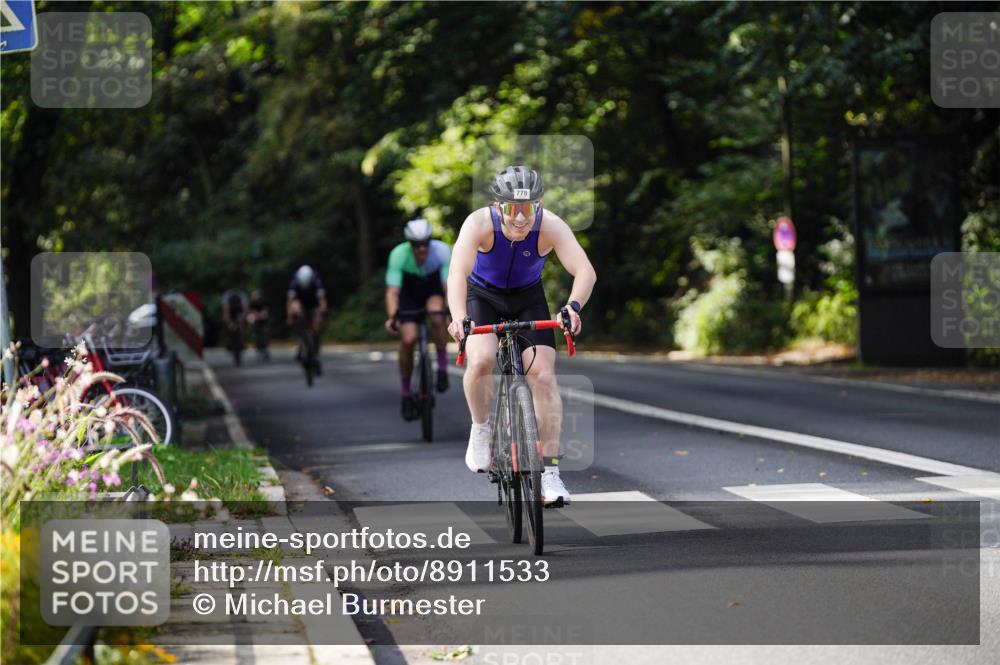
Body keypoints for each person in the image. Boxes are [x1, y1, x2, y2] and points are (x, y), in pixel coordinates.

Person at [447, 165, 596, 506]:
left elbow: (584, 269)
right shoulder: (478, 224)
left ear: (538, 205)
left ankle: (551, 473)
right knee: (481, 359)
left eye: (528, 208)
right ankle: (481, 428)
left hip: (528, 298)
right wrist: (459, 318)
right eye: (512, 209)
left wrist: (573, 307)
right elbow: (457, 272)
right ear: (498, 206)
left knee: (543, 376)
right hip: (482, 296)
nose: (520, 218)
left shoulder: (551, 225)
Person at [384, 218, 452, 421]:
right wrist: (393, 316)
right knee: (408, 339)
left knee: (437, 316)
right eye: (416, 245)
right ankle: (405, 393)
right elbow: (392, 292)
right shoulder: (398, 255)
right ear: (409, 244)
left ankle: (441, 368)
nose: (421, 249)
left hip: (432, 289)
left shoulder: (441, 251)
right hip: (408, 293)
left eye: (425, 243)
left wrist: (450, 311)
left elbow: (449, 285)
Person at [286, 265, 327, 375]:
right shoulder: (295, 281)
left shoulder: (316, 279)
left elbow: (322, 300)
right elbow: (290, 301)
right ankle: (300, 344)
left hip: (313, 303)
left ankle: (315, 353)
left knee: (317, 323)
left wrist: (321, 313)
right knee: (296, 311)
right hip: (301, 303)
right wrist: (290, 316)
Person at [246, 289, 270, 361]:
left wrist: (260, 315)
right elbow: (250, 312)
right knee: (256, 335)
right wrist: (254, 317)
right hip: (255, 320)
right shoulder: (251, 303)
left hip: (263, 320)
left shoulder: (264, 302)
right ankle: (259, 349)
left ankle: (265, 349)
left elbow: (265, 312)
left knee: (264, 334)